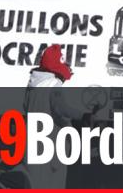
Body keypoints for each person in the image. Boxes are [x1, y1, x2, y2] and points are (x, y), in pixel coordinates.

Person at [25, 44, 91, 189]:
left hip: (32, 141)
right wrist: (83, 115)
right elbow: (60, 108)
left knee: (35, 184)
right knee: (54, 184)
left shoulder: (32, 85)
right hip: (51, 143)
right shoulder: (53, 84)